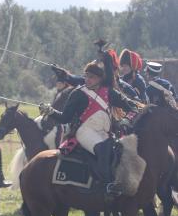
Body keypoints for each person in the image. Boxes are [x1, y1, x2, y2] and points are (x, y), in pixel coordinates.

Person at [39, 52, 138, 196]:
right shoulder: (78, 93)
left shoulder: (109, 92)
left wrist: (126, 120)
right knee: (104, 148)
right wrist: (50, 111)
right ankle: (107, 185)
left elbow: (132, 107)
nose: (87, 79)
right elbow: (65, 118)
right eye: (86, 76)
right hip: (84, 132)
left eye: (91, 77)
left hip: (104, 133)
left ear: (100, 78)